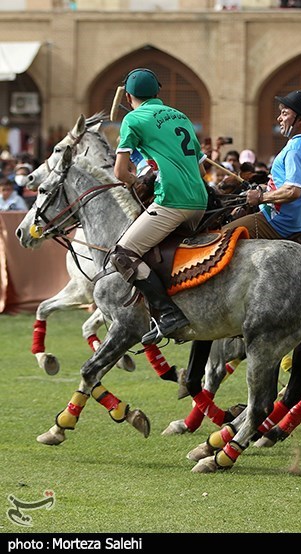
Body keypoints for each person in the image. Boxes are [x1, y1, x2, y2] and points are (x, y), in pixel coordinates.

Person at [111, 68, 209, 346]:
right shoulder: (181, 115)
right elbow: (202, 170)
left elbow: (120, 173)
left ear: (129, 96)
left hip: (172, 201)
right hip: (199, 202)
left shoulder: (132, 118)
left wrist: (137, 182)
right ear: (157, 93)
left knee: (123, 255)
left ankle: (167, 313)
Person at [222, 90, 301, 244]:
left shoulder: (295, 148)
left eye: (284, 113)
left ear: (300, 119)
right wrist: (264, 188)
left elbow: (293, 190)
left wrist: (261, 197)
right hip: (297, 223)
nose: (279, 118)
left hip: (277, 223)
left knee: (222, 236)